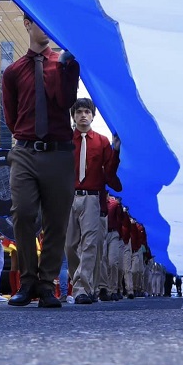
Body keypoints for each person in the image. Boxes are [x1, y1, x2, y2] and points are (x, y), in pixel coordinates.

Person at [2, 14, 80, 308]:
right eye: (38, 21)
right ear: (26, 23)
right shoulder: (12, 72)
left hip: (59, 152)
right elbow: (12, 118)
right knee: (22, 213)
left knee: (56, 221)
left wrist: (67, 66)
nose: (45, 28)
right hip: (25, 151)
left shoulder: (64, 64)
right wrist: (27, 138)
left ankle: (47, 284)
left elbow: (65, 100)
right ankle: (27, 281)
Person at [65, 98, 121, 305]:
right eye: (78, 112)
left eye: (87, 112)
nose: (83, 115)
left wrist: (116, 151)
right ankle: (79, 280)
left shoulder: (102, 141)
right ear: (73, 116)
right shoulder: (66, 140)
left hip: (92, 198)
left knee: (89, 245)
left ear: (93, 115)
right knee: (70, 246)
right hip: (69, 197)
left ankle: (82, 289)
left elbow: (110, 172)